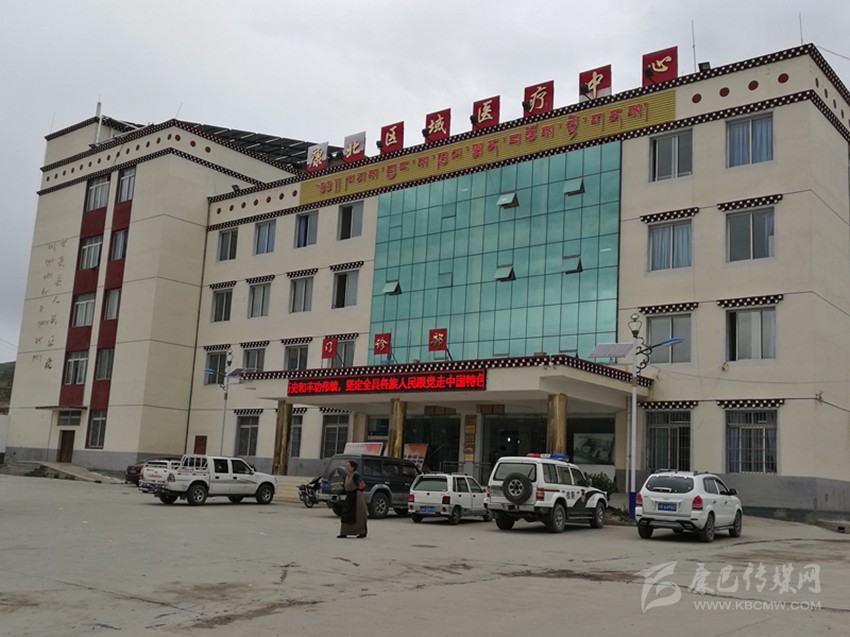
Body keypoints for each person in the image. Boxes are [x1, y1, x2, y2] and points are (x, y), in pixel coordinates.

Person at [338, 460, 367, 538]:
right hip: (349, 496)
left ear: (353, 467)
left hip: (356, 497)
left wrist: (361, 486)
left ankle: (362, 532)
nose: (346, 467)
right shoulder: (347, 475)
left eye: (348, 466)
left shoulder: (355, 475)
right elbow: (345, 487)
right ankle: (344, 532)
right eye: (346, 466)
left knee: (358, 514)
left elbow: (361, 485)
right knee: (346, 513)